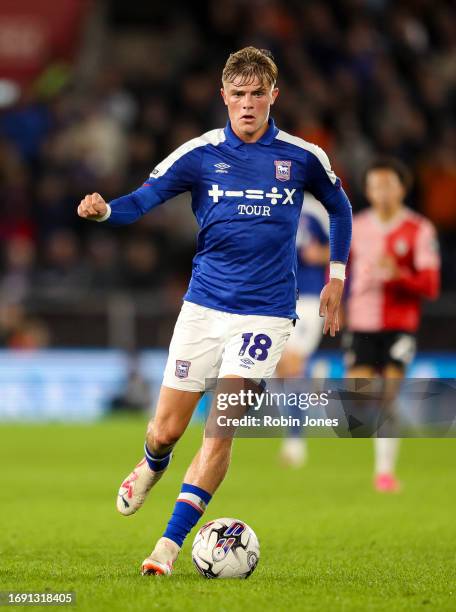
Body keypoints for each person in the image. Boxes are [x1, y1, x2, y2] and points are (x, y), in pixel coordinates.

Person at [77, 47, 352, 576]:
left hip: (267, 316)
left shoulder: (302, 157)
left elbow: (340, 208)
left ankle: (168, 546)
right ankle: (154, 463)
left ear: (274, 95)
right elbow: (145, 197)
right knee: (164, 431)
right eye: (238, 94)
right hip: (203, 309)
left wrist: (336, 279)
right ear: (223, 96)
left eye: (257, 94)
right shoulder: (200, 154)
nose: (248, 104)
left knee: (220, 428)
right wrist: (107, 209)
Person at [343, 158, 440, 492]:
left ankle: (384, 471)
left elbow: (430, 285)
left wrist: (399, 276)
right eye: (374, 185)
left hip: (400, 324)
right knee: (359, 393)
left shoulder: (419, 229)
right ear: (367, 190)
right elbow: (339, 272)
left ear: (403, 187)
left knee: (388, 393)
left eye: (387, 185)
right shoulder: (356, 227)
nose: (381, 192)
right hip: (361, 321)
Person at [276, 193, 329, 467]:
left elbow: (342, 248)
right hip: (277, 296)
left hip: (308, 297)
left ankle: (295, 444)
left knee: (291, 364)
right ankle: (313, 382)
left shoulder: (316, 209)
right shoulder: (272, 201)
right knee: (278, 370)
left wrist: (320, 253)